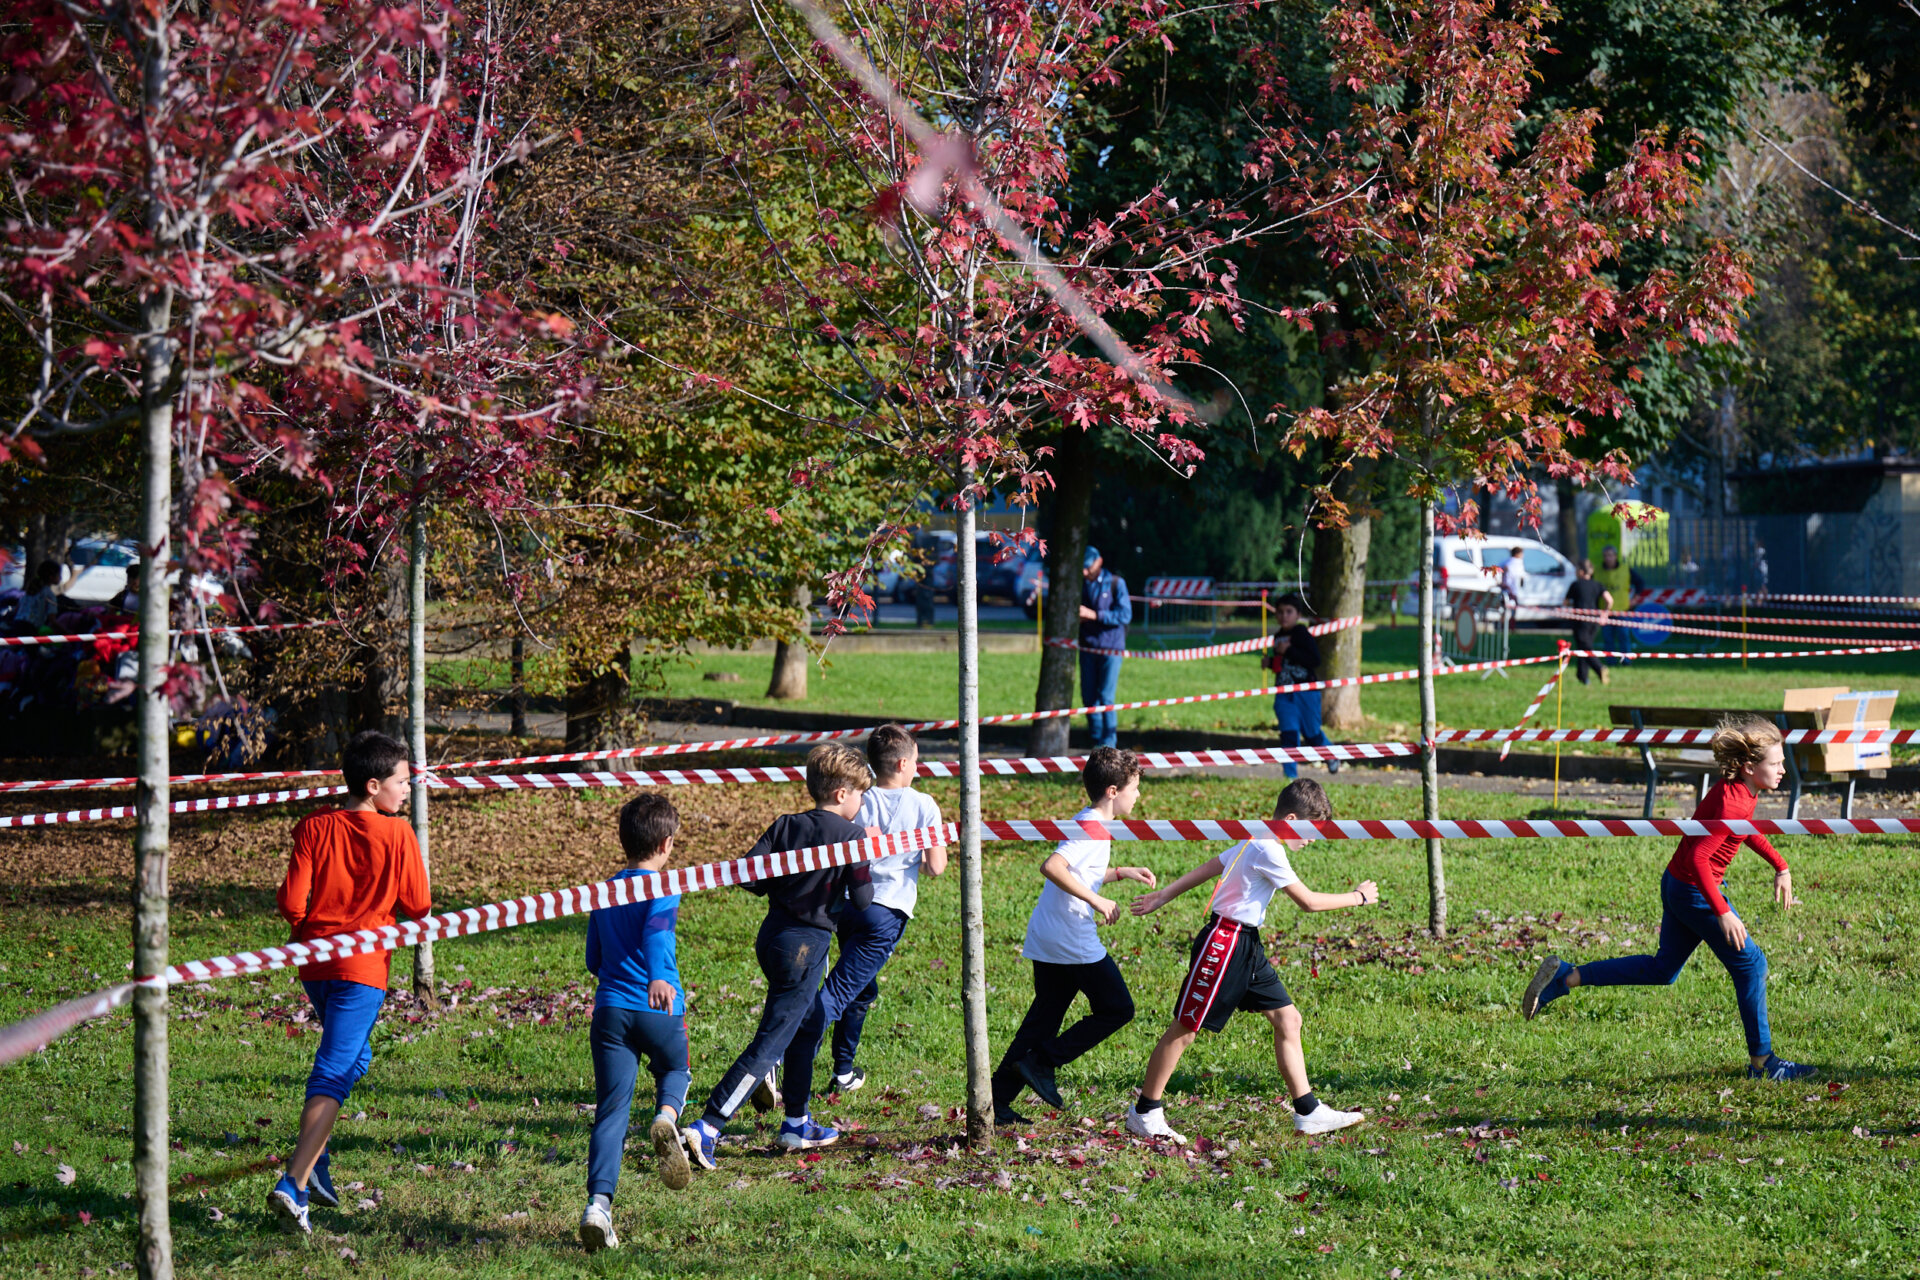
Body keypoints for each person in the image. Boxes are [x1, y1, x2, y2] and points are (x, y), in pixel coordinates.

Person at [1520, 715, 1816, 1082]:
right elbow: (1699, 858)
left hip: (1677, 884)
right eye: (1776, 763)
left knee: (1663, 971)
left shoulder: (1740, 792)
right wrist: (1722, 911)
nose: (1784, 769)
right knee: (1751, 965)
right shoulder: (1732, 802)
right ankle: (1763, 1064)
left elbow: (1743, 831)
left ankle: (1566, 978)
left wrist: (1780, 865)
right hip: (1694, 890)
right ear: (1749, 766)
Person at [1123, 779, 1376, 1143]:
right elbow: (1308, 902)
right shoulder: (1267, 849)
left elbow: (1214, 865)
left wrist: (1164, 895)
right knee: (1186, 1029)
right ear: (1290, 819)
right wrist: (1358, 897)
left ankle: (1307, 1111)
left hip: (1246, 944)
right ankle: (1145, 1111)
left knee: (1288, 1019)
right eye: (1310, 831)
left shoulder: (1257, 840)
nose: (1312, 840)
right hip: (1223, 945)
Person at [680, 743, 875, 1169]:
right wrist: (864, 860)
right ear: (842, 792)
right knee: (771, 1043)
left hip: (772, 939)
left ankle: (796, 1122)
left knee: (807, 1026)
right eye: (860, 794)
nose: (862, 803)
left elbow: (750, 878)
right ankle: (707, 1127)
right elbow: (863, 900)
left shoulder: (786, 825)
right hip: (806, 950)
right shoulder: (853, 837)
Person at [267, 731, 431, 1234]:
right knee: (335, 1071)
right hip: (362, 970)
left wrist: (312, 928)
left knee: (356, 1058)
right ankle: (293, 1183)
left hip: (314, 964)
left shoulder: (313, 827)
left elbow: (292, 904)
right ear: (374, 783)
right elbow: (419, 906)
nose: (409, 791)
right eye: (403, 782)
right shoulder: (399, 834)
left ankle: (316, 1157)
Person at [778, 724, 947, 1107]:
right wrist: (910, 857)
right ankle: (776, 1057)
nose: (918, 767)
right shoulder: (924, 806)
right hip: (887, 913)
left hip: (851, 905)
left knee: (862, 987)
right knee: (835, 995)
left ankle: (843, 1070)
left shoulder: (858, 799)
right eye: (917, 761)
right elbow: (937, 867)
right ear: (904, 762)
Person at [991, 747, 1157, 1124]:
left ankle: (997, 1104)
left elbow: (1079, 870)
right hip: (1070, 936)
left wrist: (1120, 872)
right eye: (1135, 788)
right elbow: (1052, 866)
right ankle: (1043, 1063)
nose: (1139, 795)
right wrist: (1098, 899)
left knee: (1043, 1021)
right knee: (1117, 1008)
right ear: (1113, 791)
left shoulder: (1090, 823)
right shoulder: (1092, 828)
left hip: (1047, 933)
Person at [578, 793, 693, 1253]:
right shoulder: (664, 886)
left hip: (609, 1011)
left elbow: (592, 957)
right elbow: (657, 931)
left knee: (611, 1111)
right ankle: (666, 1118)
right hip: (655, 1006)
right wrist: (660, 976)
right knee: (676, 1069)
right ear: (666, 844)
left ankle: (598, 1207)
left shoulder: (604, 890)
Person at [1263, 595, 1337, 779]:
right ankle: (1290, 776)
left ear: (1298, 615)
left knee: (1311, 734)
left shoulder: (1301, 634)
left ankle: (1331, 754)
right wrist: (1271, 662)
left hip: (1306, 693)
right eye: (1279, 612)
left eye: (1289, 612)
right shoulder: (1278, 636)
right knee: (1288, 733)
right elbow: (1284, 665)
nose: (1284, 616)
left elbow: (1314, 660)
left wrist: (1289, 650)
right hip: (1284, 693)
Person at [1077, 547, 1131, 749]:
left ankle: (1109, 745)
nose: (1084, 572)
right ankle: (1097, 742)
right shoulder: (1080, 584)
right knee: (1088, 697)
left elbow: (1125, 615)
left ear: (1099, 562)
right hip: (1088, 648)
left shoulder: (1117, 584)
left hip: (1111, 649)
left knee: (1106, 697)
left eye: (1087, 567)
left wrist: (1094, 615)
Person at [1563, 559, 1612, 686]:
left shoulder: (1575, 585)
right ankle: (1582, 677)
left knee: (1585, 647)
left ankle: (1599, 668)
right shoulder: (1598, 585)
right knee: (1582, 647)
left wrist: (1569, 610)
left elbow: (1565, 603)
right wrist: (1604, 614)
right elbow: (1609, 600)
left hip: (1580, 621)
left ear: (1580, 571)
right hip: (1594, 621)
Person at [1592, 545, 1631, 659]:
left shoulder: (1625, 569)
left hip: (1621, 609)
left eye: (1610, 555)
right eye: (1606, 556)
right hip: (1605, 611)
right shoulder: (1597, 571)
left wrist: (1634, 599)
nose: (1608, 558)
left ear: (1615, 556)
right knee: (1608, 638)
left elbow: (1640, 583)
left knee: (1623, 636)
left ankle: (1626, 661)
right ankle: (1611, 661)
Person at [12, 560, 64, 630]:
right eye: (59, 575)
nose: (60, 578)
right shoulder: (49, 595)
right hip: (30, 628)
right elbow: (52, 620)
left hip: (16, 624)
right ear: (51, 577)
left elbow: (16, 610)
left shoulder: (30, 590)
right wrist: (68, 633)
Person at [1499, 546, 1526, 615]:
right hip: (1513, 590)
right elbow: (1521, 576)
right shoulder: (1518, 562)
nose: (1523, 556)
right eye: (1521, 554)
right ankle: (1510, 625)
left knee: (1503, 609)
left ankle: (1503, 624)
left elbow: (1500, 570)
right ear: (1517, 554)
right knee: (1513, 611)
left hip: (1505, 588)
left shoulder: (1506, 561)